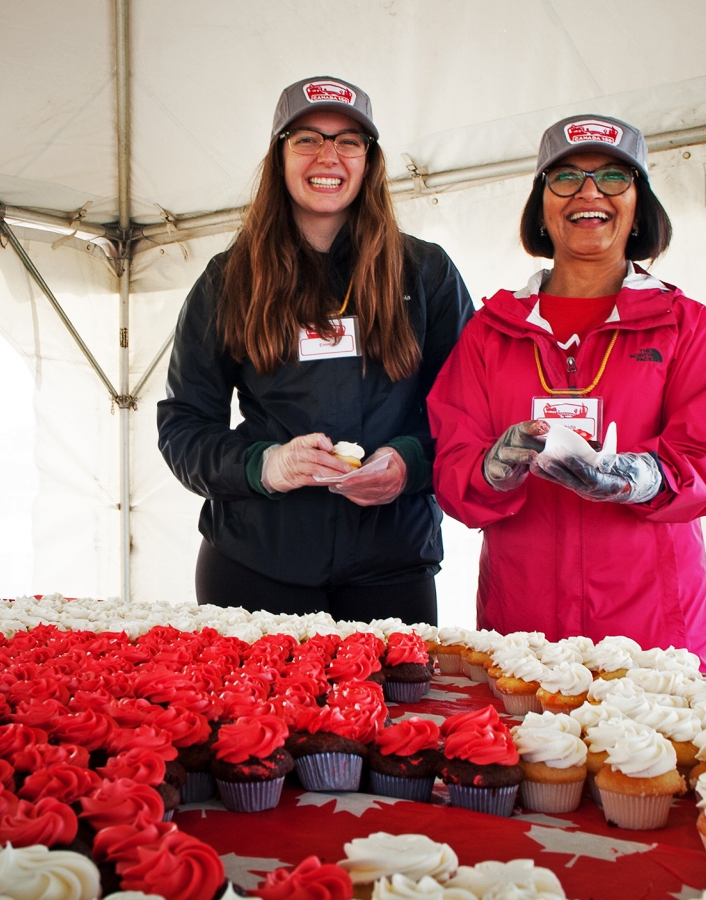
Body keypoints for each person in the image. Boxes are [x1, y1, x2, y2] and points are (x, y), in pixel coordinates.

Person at [427, 114, 706, 666]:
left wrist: (639, 476)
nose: (589, 192)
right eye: (566, 177)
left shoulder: (686, 326)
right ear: (541, 206)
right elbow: (453, 466)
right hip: (521, 635)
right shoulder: (490, 331)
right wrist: (491, 469)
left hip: (653, 632)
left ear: (640, 204)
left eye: (614, 177)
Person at [157, 76, 473, 625]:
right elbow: (183, 426)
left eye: (349, 141)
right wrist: (264, 466)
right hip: (255, 566)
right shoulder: (230, 279)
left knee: (392, 712)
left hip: (392, 568)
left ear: (370, 160)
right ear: (279, 155)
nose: (329, 156)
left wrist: (410, 462)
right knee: (257, 715)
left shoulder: (426, 272)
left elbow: (469, 411)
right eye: (307, 138)